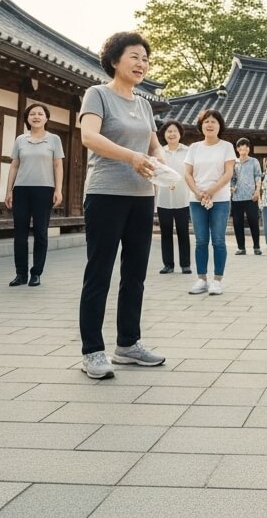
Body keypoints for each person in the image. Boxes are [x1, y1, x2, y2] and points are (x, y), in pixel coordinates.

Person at [77, 31, 166, 379]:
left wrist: (160, 162)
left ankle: (128, 344)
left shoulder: (144, 104)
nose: (141, 63)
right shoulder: (97, 95)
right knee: (99, 272)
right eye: (134, 56)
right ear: (115, 61)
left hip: (142, 196)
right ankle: (92, 351)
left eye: (145, 57)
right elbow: (90, 137)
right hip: (105, 194)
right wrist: (132, 156)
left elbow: (153, 144)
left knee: (135, 274)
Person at [5, 102, 64, 287]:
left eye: (40, 114)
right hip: (21, 189)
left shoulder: (54, 139)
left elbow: (57, 165)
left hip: (44, 189)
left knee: (40, 233)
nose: (36, 116)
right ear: (27, 118)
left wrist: (58, 189)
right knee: (20, 234)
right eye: (32, 114)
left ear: (46, 118)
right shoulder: (20, 140)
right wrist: (9, 190)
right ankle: (20, 274)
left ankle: (36, 273)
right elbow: (14, 165)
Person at [185, 109, 237, 295]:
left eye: (214, 121)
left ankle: (217, 280)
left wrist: (211, 191)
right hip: (196, 199)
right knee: (200, 241)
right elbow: (187, 173)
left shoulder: (226, 147)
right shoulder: (194, 148)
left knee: (218, 240)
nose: (209, 124)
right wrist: (198, 192)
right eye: (206, 121)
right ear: (201, 125)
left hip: (220, 200)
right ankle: (201, 279)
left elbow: (228, 172)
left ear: (219, 125)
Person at [155, 120, 192, 274]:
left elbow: (190, 172)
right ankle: (168, 264)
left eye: (174, 131)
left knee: (183, 232)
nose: (171, 134)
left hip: (183, 198)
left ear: (180, 134)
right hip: (163, 198)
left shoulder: (187, 151)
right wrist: (165, 182)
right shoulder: (160, 152)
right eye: (168, 131)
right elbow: (155, 173)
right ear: (164, 134)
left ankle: (185, 264)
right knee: (166, 233)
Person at [230, 137, 262, 256]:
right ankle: (241, 248)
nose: (244, 149)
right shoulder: (234, 163)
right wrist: (231, 187)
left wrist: (257, 191)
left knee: (253, 221)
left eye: (247, 147)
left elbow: (258, 177)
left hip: (251, 196)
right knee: (237, 223)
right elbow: (232, 178)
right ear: (238, 149)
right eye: (242, 147)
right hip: (237, 197)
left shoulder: (254, 161)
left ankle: (257, 247)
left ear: (249, 148)